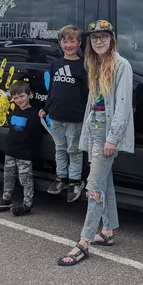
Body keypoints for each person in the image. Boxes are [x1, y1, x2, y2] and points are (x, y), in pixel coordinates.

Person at [58, 20, 134, 266]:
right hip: (95, 127)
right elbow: (93, 103)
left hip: (108, 129)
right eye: (94, 38)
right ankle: (108, 230)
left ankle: (84, 241)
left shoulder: (122, 65)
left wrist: (112, 138)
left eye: (103, 36)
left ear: (112, 39)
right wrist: (91, 134)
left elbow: (122, 107)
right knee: (104, 180)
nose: (99, 41)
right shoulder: (94, 64)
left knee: (94, 187)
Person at [39, 25, 88, 203]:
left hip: (75, 117)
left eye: (72, 41)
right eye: (64, 41)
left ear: (79, 43)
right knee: (60, 148)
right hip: (56, 115)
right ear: (60, 43)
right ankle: (61, 177)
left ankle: (75, 180)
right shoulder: (56, 64)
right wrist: (46, 108)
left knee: (74, 150)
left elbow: (86, 93)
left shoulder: (83, 66)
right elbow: (52, 90)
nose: (68, 45)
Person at [0, 81, 43, 216]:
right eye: (16, 97)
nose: (19, 100)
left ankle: (27, 204)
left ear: (30, 95)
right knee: (8, 176)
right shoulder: (14, 112)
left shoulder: (35, 114)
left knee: (25, 179)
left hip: (24, 153)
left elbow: (36, 136)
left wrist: (30, 150)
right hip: (11, 151)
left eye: (22, 96)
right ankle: (6, 199)